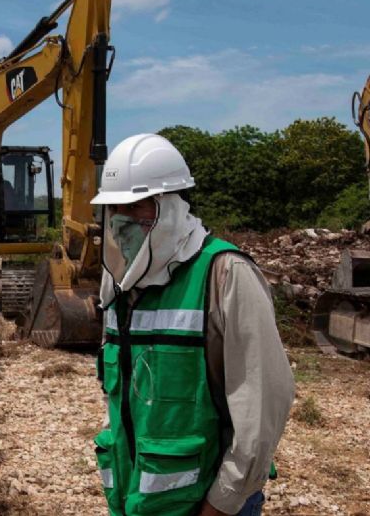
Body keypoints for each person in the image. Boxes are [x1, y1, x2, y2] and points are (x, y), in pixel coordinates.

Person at [89, 133, 295, 516]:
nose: (120, 221)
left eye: (134, 207)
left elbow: (262, 407)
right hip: (139, 501)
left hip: (211, 506)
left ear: (167, 207)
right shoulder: (117, 283)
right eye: (114, 208)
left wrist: (223, 502)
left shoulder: (225, 274)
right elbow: (120, 394)